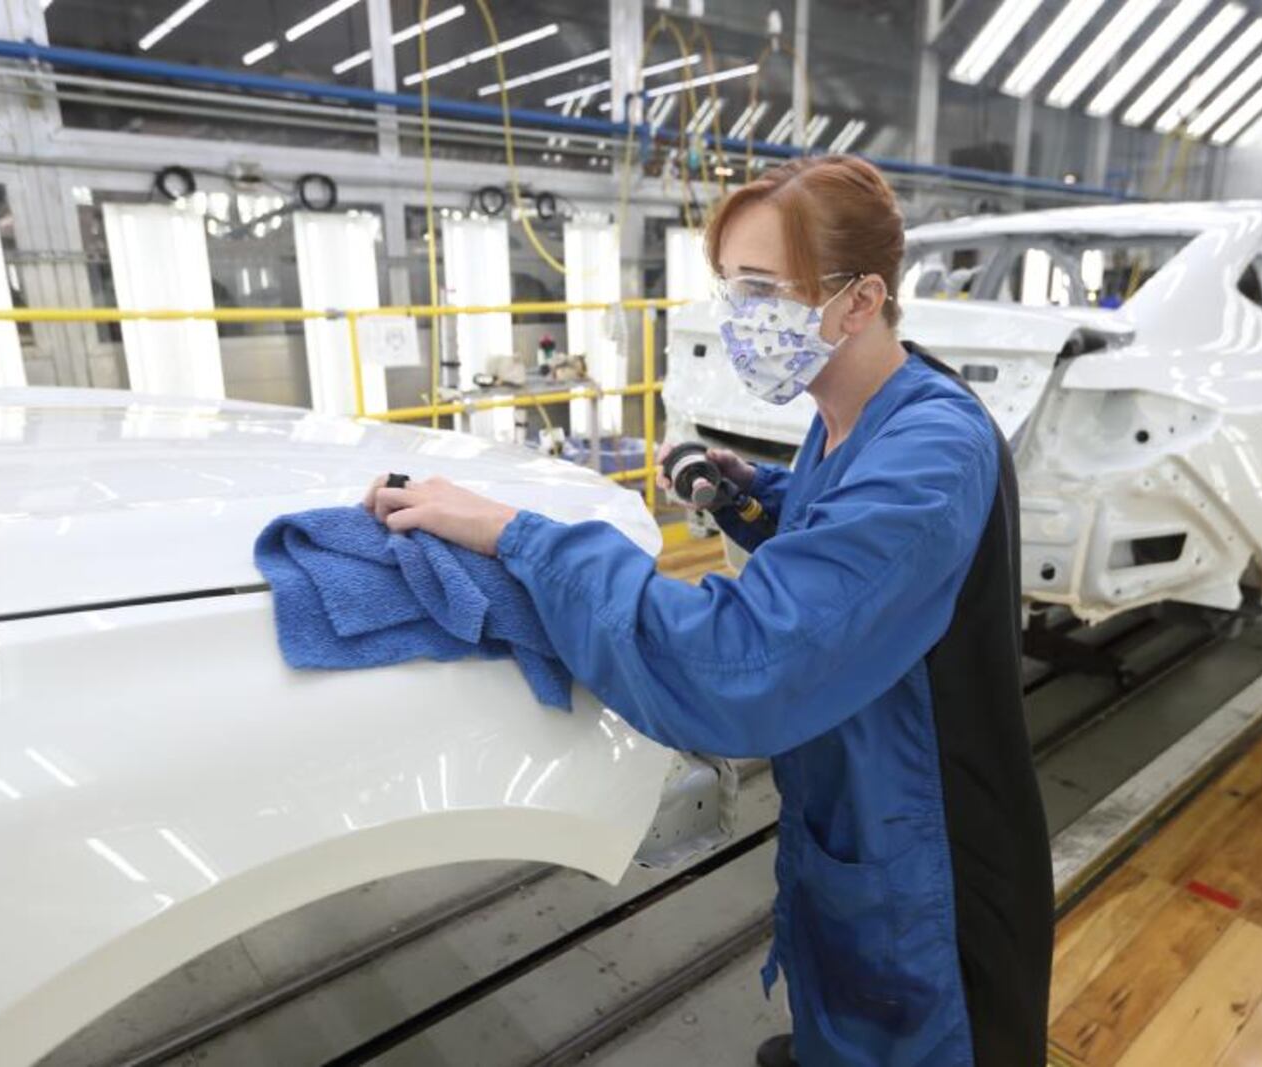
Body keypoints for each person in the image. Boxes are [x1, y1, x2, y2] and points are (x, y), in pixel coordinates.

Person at [366, 155, 1053, 1066]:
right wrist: (754, 497)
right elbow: (848, 549)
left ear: (859, 300)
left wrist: (516, 536)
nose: (739, 317)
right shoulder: (855, 408)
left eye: (762, 288)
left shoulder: (932, 447)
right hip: (864, 841)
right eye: (731, 288)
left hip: (933, 888)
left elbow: (738, 662)